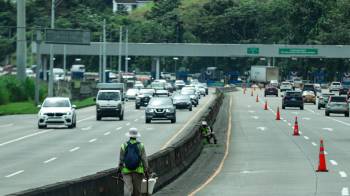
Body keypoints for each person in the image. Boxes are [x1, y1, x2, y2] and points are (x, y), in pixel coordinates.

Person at [118, 128, 149, 196]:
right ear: (136, 136)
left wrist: (119, 170)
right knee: (137, 190)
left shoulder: (124, 145)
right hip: (138, 171)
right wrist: (146, 170)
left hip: (126, 171)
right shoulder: (141, 145)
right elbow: (144, 159)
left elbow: (121, 159)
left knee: (127, 188)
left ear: (129, 136)